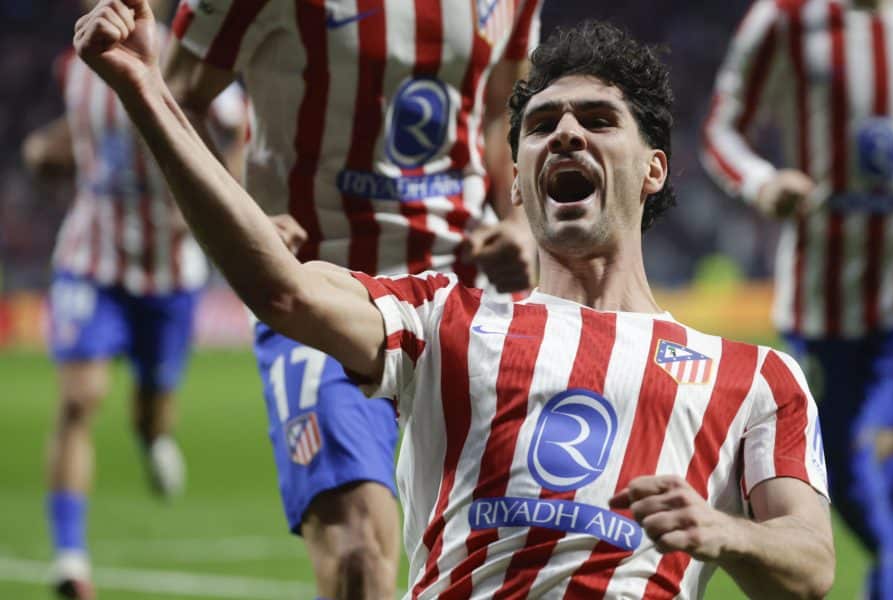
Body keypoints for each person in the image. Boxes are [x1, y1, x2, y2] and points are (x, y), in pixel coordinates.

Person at [74, 5, 835, 598]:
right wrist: (143, 89)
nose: (565, 134)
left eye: (598, 121)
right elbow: (284, 289)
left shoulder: (756, 379)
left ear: (654, 170)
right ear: (515, 179)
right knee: (356, 559)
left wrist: (723, 531)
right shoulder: (452, 323)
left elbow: (810, 567)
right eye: (541, 127)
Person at [157, 0, 542, 597]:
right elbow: (172, 94)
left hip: (464, 294)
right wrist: (241, 217)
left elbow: (507, 110)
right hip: (319, 290)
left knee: (515, 548)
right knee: (359, 556)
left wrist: (519, 222)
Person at [701, 1, 893, 598]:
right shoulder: (782, 18)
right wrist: (763, 184)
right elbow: (720, 128)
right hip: (824, 293)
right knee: (835, 469)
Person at [20, 1, 246, 598]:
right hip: (89, 261)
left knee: (151, 408)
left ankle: (151, 436)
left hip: (168, 271)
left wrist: (244, 208)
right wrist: (48, 149)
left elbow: (236, 131)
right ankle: (70, 559)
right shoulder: (75, 65)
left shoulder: (188, 61)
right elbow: (83, 132)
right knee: (78, 400)